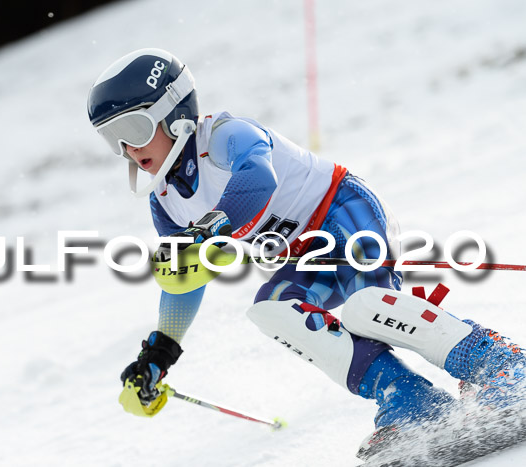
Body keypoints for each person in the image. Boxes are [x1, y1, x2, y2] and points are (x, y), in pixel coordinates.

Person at [86, 48, 525, 435]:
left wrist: (212, 227)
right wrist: (159, 353)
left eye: (135, 128)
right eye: (113, 138)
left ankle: (500, 364)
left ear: (174, 113)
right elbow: (185, 278)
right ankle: (409, 400)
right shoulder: (165, 202)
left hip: (344, 212)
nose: (127, 148)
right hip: (307, 254)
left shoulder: (222, 135)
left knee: (367, 304)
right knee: (273, 310)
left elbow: (257, 179)